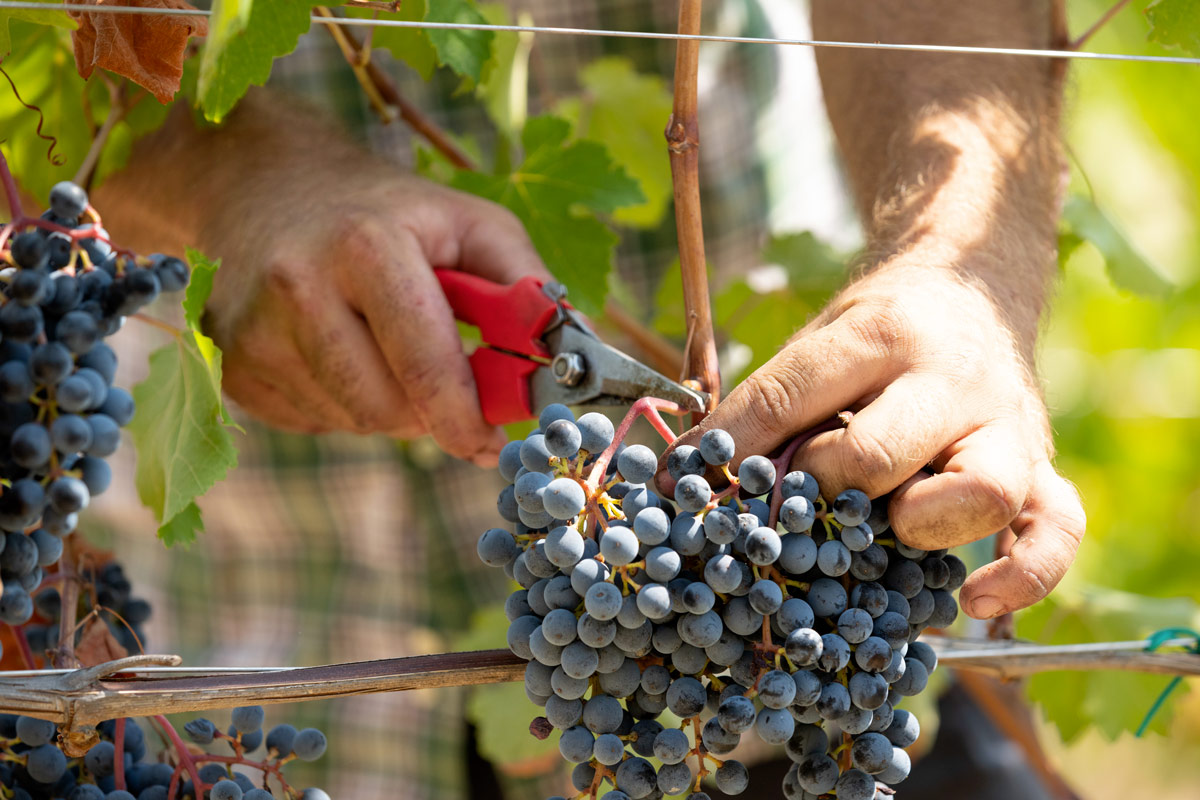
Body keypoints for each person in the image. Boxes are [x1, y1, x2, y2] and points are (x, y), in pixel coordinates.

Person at [89, 0, 1084, 796]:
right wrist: (222, 175)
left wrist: (964, 262)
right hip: (239, 710)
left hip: (804, 664)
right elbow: (37, 46)